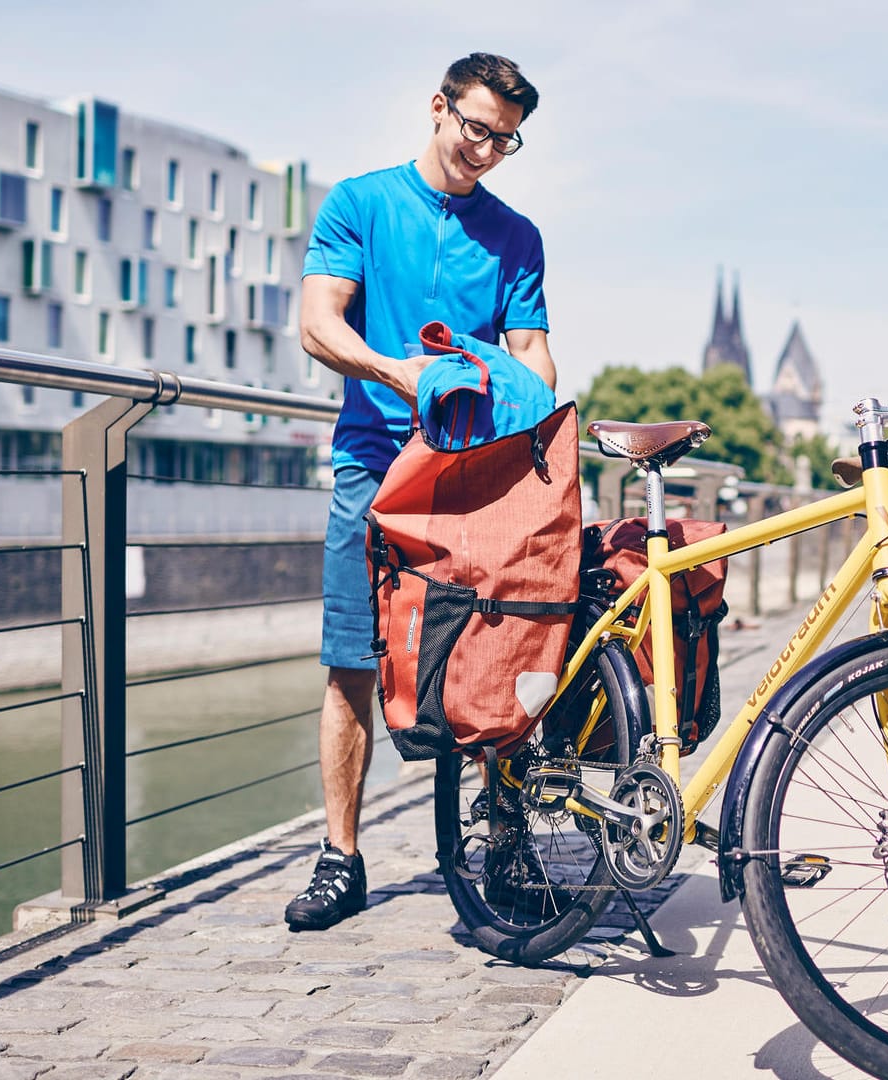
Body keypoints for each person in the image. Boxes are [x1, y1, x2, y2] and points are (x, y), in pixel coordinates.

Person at [286, 53, 555, 931]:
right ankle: (341, 858)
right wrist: (395, 373)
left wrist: (542, 416)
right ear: (439, 108)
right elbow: (318, 322)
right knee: (351, 662)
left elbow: (531, 350)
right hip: (373, 462)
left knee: (498, 656)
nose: (485, 150)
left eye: (505, 141)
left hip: (474, 473)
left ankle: (506, 837)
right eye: (476, 128)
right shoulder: (360, 204)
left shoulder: (516, 236)